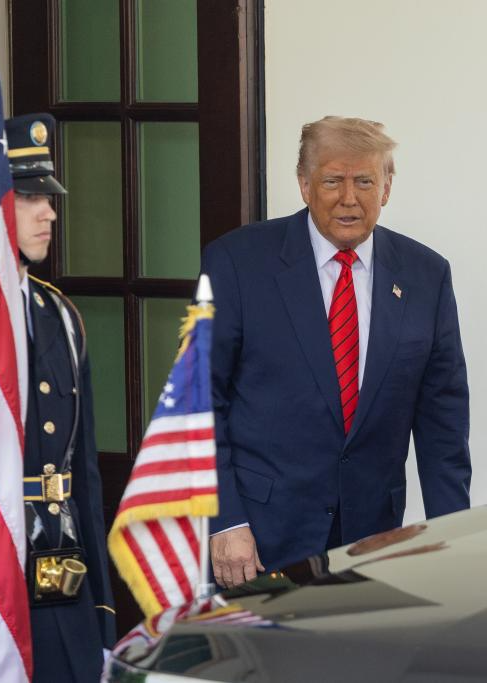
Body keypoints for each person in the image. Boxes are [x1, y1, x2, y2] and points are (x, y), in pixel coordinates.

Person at [202, 116, 471, 588]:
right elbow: (201, 401)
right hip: (257, 541)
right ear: (304, 185)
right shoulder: (237, 263)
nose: (349, 198)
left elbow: (443, 426)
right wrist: (224, 521)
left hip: (374, 540)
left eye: (364, 181)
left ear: (387, 188)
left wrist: (451, 538)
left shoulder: (426, 275)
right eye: (332, 181)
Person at [8, 113, 116, 681]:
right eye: (29, 197)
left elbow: (84, 476)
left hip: (61, 572)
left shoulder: (60, 315)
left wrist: (102, 610)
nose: (49, 211)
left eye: (47, 197)